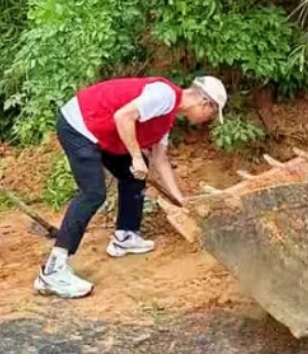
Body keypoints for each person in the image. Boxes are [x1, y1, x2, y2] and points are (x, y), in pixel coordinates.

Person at [34, 75, 227, 299]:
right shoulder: (164, 96)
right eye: (212, 113)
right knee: (93, 193)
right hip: (79, 125)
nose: (208, 119)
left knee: (133, 174)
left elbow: (159, 160)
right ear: (205, 103)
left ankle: (125, 236)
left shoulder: (168, 116)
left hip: (100, 131)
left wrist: (182, 202)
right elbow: (123, 116)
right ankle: (52, 270)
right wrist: (135, 156)